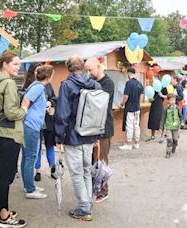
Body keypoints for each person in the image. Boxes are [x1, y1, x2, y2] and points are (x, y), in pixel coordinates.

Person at [55, 56, 102, 221]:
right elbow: (100, 112)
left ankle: (84, 208)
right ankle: (87, 203)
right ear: (82, 67)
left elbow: (62, 114)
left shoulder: (67, 86)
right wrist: (98, 135)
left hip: (73, 136)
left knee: (76, 173)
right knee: (86, 171)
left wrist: (59, 138)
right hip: (90, 134)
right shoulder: (96, 85)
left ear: (69, 68)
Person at [0, 51, 27, 227]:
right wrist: (24, 109)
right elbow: (11, 113)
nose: (18, 67)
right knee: (6, 176)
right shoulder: (9, 83)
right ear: (5, 65)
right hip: (9, 134)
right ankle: (4, 217)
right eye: (15, 64)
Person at [20, 65, 53, 199]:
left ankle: (28, 184)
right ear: (49, 76)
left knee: (26, 157)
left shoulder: (35, 85)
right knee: (30, 157)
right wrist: (24, 112)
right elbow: (26, 100)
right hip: (31, 126)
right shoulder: (39, 87)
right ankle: (30, 189)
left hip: (29, 125)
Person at [84, 57, 114, 202]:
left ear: (98, 66)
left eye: (90, 70)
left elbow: (100, 106)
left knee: (101, 161)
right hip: (93, 127)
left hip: (104, 128)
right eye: (86, 70)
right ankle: (94, 187)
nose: (88, 73)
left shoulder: (107, 83)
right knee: (93, 160)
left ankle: (103, 190)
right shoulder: (93, 82)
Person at [34, 81, 57, 181]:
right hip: (37, 120)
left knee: (50, 144)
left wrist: (50, 103)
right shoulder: (32, 85)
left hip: (48, 120)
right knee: (37, 146)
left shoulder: (48, 85)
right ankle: (37, 171)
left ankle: (53, 168)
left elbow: (54, 98)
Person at [119, 68, 144, 150]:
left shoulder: (128, 83)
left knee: (129, 126)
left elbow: (126, 96)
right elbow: (141, 95)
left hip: (129, 107)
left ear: (129, 73)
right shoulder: (139, 84)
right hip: (137, 108)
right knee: (137, 126)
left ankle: (129, 144)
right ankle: (136, 143)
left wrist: (122, 104)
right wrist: (138, 103)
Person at [163, 94, 182, 158]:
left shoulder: (177, 108)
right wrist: (161, 127)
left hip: (176, 127)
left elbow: (180, 116)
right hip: (168, 126)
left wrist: (181, 123)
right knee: (169, 139)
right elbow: (163, 118)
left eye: (174, 100)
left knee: (175, 139)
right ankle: (168, 152)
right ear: (168, 100)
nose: (172, 101)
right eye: (171, 100)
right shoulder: (166, 109)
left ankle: (174, 146)